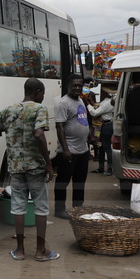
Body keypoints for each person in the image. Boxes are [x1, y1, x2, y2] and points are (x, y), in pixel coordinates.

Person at [0, 78, 59, 261]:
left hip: (15, 168)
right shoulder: (39, 109)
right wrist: (48, 163)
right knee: (41, 208)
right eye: (42, 93)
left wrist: (12, 127)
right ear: (37, 92)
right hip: (35, 167)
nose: (43, 97)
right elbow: (38, 133)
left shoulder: (9, 110)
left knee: (18, 207)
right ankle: (40, 251)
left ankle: (19, 251)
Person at [53, 74, 90, 219]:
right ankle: (59, 209)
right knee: (63, 181)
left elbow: (82, 121)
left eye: (79, 85)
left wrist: (90, 137)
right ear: (68, 85)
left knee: (80, 181)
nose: (77, 88)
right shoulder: (63, 103)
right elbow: (59, 127)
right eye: (74, 85)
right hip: (69, 151)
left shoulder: (80, 100)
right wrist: (65, 150)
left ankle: (78, 207)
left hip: (83, 150)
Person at [87, 88, 115, 176]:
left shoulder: (108, 102)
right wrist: (90, 100)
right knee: (101, 147)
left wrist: (87, 103)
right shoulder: (106, 100)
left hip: (106, 126)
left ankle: (110, 169)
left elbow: (94, 113)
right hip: (103, 126)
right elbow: (98, 107)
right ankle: (101, 168)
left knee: (106, 147)